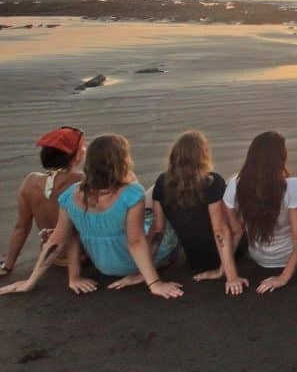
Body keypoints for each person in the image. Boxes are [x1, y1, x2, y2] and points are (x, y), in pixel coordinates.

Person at [0, 134, 183, 299]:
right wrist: (153, 283)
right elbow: (135, 241)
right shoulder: (132, 192)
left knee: (152, 193)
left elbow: (57, 240)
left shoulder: (70, 195)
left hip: (103, 265)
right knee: (164, 201)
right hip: (132, 262)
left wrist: (29, 282)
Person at [223, 131, 297, 293]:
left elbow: (234, 231)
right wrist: (287, 277)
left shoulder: (234, 185)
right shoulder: (292, 186)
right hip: (288, 256)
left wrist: (228, 274)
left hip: (258, 256)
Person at [151, 130, 248, 295]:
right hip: (228, 254)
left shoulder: (161, 182)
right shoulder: (212, 182)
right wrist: (230, 276)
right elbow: (220, 230)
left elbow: (158, 229)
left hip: (195, 261)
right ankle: (225, 267)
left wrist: (146, 271)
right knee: (234, 188)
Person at [1, 127, 86, 277]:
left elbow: (21, 227)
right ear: (77, 155)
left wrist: (8, 265)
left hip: (51, 257)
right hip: (81, 257)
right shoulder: (81, 180)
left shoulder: (30, 182)